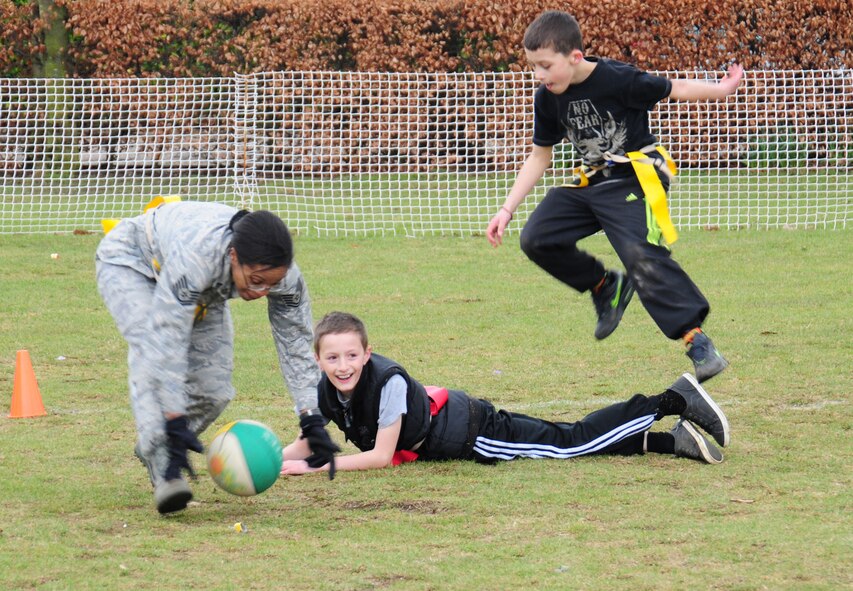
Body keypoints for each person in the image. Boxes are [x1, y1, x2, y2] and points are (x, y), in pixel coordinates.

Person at [486, 10, 743, 382]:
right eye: (533, 68)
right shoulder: (548, 99)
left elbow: (675, 88)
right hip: (591, 182)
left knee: (638, 251)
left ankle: (697, 341)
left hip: (635, 180)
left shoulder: (619, 79)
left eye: (544, 66)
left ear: (574, 57)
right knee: (537, 237)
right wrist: (507, 209)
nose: (539, 76)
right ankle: (606, 286)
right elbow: (541, 155)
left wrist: (721, 90)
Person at [95, 199, 338, 514]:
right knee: (148, 345)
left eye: (272, 283)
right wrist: (173, 418)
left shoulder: (284, 277)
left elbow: (295, 341)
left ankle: (156, 445)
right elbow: (165, 344)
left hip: (207, 286)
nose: (263, 291)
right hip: (133, 262)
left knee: (214, 392)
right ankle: (166, 467)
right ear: (234, 256)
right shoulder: (198, 258)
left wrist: (311, 417)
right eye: (255, 280)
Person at [280, 311, 730, 477]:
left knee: (570, 443)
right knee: (567, 443)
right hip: (461, 425)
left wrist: (316, 469)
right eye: (333, 358)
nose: (343, 366)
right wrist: (274, 461)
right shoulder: (326, 390)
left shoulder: (388, 382)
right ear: (319, 361)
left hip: (474, 433)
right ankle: (669, 440)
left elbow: (380, 456)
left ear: (367, 353)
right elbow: (309, 442)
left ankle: (671, 401)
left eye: (351, 355)